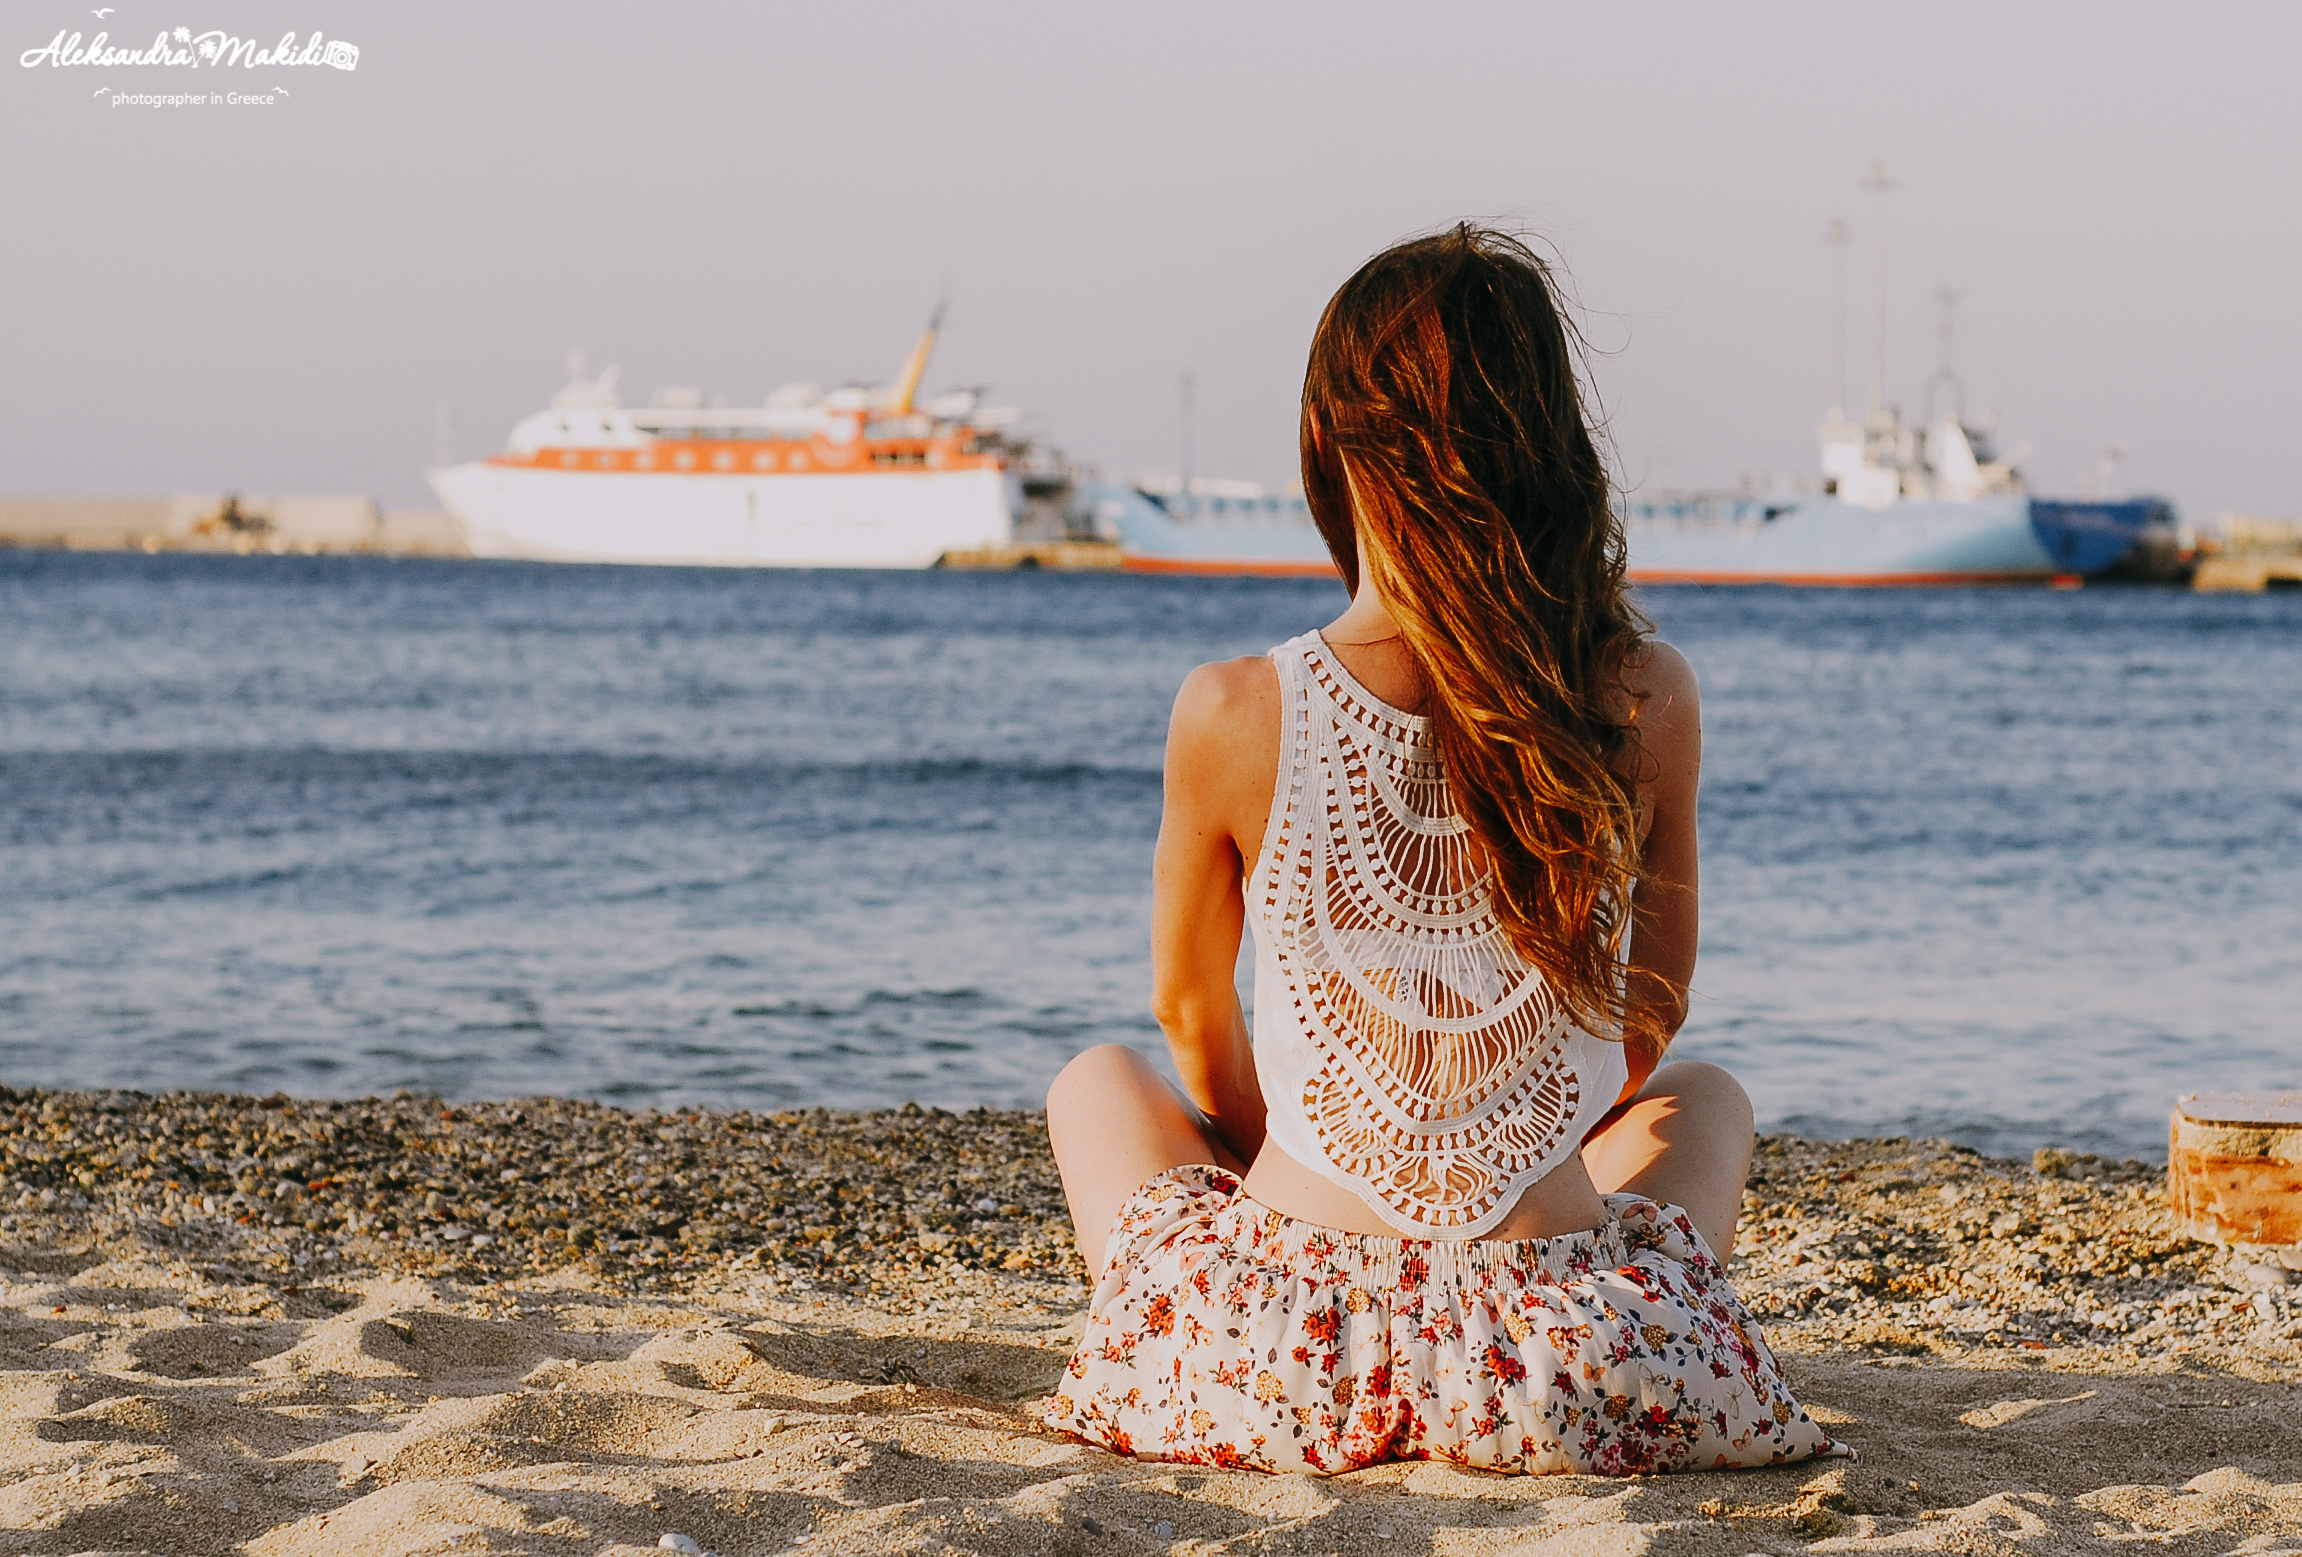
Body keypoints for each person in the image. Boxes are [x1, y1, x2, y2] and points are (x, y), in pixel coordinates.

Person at [1040, 226, 1849, 1477]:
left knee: (1100, 1080)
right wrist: (1527, 1137)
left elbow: (1191, 1016)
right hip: (1583, 1370)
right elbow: (1655, 1000)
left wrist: (1297, 1148)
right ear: (1553, 450)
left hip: (1280, 1358)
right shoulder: (1643, 693)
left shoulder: (1235, 708)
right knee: (1710, 1100)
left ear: (1331, 447)